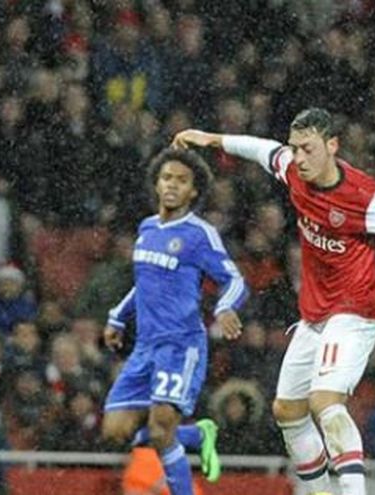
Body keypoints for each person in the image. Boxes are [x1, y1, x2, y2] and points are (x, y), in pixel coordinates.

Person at [173, 107, 375, 495]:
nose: (299, 157)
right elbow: (262, 149)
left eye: (308, 149)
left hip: (357, 310)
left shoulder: (367, 198)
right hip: (315, 313)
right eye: (295, 148)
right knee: (287, 410)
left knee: (325, 402)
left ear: (333, 146)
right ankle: (320, 492)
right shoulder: (293, 169)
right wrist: (213, 139)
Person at [102, 148, 248, 495]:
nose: (172, 185)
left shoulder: (199, 234)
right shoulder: (147, 228)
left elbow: (235, 280)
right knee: (115, 431)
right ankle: (196, 434)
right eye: (167, 177)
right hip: (145, 346)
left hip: (181, 345)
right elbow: (145, 283)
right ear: (157, 183)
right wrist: (118, 317)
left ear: (193, 191)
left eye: (182, 181)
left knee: (160, 430)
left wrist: (226, 307)